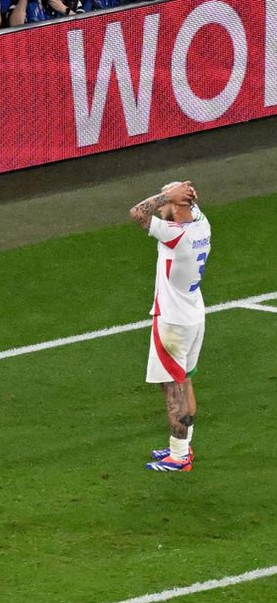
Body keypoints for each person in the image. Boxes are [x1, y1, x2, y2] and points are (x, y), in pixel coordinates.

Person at [128, 180, 209, 472]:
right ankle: (182, 446)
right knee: (185, 379)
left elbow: (137, 212)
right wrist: (179, 196)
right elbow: (188, 208)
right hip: (194, 316)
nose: (161, 206)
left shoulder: (175, 236)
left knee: (172, 388)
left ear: (175, 207)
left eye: (166, 203)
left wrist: (168, 196)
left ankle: (179, 457)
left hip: (173, 324)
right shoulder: (201, 225)